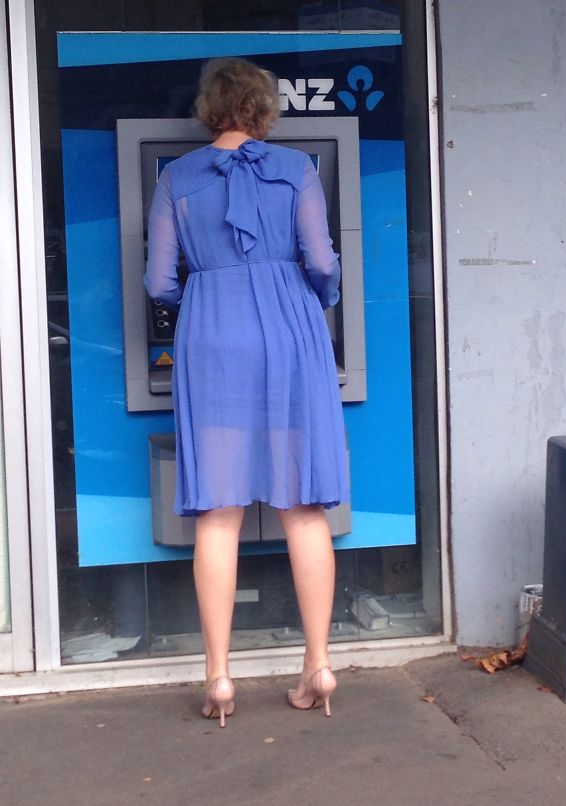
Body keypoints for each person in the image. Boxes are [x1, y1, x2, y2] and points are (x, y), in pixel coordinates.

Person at [144, 56, 350, 728]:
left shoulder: (175, 176)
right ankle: (317, 664)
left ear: (209, 109)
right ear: (265, 109)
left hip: (212, 335)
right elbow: (320, 261)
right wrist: (319, 294)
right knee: (302, 506)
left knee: (219, 513)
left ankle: (220, 678)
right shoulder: (296, 171)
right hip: (290, 332)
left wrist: (203, 292)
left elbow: (157, 284)